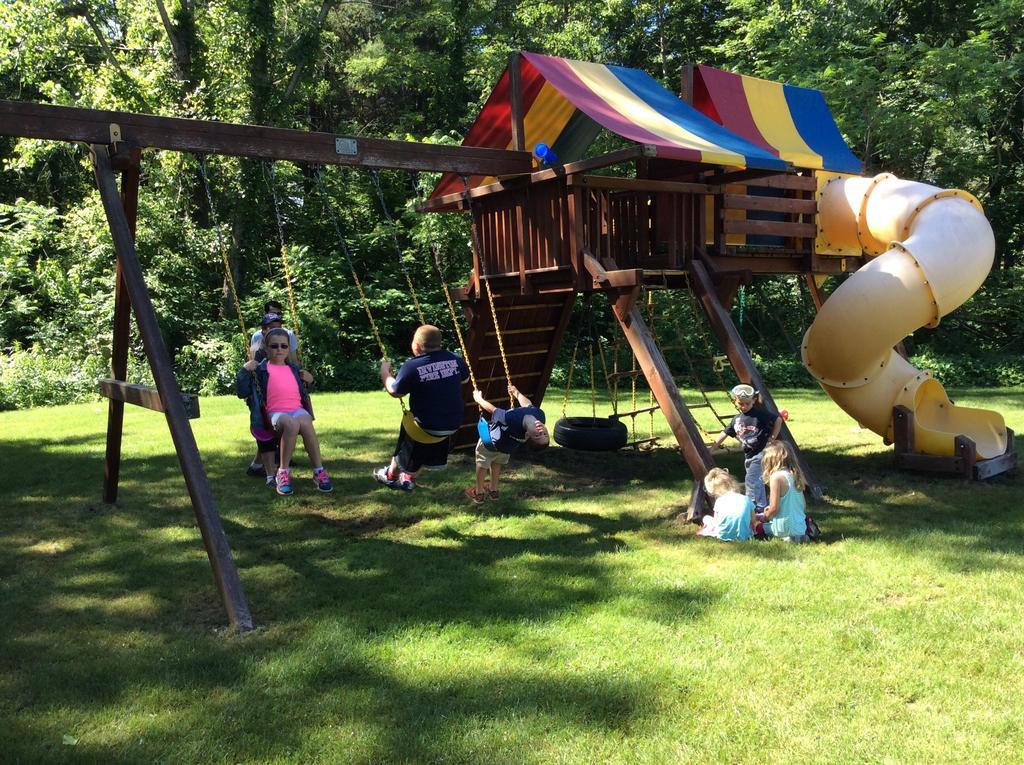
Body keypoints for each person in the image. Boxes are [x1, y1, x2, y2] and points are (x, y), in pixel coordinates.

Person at [374, 324, 470, 492]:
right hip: (453, 424)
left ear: (416, 346)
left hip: (425, 426)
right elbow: (464, 380)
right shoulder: (455, 359)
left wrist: (385, 374)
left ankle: (391, 476)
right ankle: (410, 476)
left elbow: (396, 392)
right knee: (428, 437)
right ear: (440, 343)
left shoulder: (412, 366)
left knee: (409, 434)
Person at [237, 328, 332, 496]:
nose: (279, 349)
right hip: (274, 414)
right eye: (274, 346)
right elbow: (242, 392)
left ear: (288, 348)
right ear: (266, 348)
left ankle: (319, 471)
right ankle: (283, 473)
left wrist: (310, 381)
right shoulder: (260, 369)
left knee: (306, 421)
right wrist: (244, 371)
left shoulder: (294, 369)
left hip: (296, 409)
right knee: (291, 423)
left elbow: (302, 390)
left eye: (283, 346)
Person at [465, 384, 549, 503]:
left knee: (482, 462)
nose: (541, 432)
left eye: (537, 435)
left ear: (527, 435)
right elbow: (528, 405)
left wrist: (479, 400)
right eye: (545, 434)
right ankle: (494, 490)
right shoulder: (540, 416)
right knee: (497, 463)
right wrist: (517, 393)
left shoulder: (511, 419)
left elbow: (493, 410)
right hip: (507, 448)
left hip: (490, 443)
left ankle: (478, 493)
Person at [710, 383, 782, 513]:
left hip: (760, 453)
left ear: (753, 401)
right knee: (756, 480)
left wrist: (772, 438)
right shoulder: (736, 420)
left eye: (747, 404)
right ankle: (758, 506)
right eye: (740, 403)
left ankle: (756, 508)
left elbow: (778, 420)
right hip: (748, 455)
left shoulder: (758, 415)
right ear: (735, 401)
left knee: (752, 480)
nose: (743, 406)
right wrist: (712, 448)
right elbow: (725, 433)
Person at [244, 309, 299, 477]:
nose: (276, 329)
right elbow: (254, 365)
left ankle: (257, 466)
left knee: (273, 432)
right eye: (271, 327)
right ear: (263, 329)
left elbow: (292, 360)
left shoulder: (283, 341)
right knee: (267, 431)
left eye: (279, 326)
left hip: (281, 395)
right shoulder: (260, 344)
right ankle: (271, 466)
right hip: (263, 396)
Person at [758, 440, 809, 543]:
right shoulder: (796, 476)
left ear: (770, 461)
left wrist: (765, 517)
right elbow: (803, 506)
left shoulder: (776, 477)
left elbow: (774, 508)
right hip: (800, 529)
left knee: (756, 526)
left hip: (784, 530)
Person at [697, 468, 756, 541]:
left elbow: (717, 522)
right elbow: (753, 520)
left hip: (723, 535)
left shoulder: (719, 501)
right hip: (744, 535)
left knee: (706, 518)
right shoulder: (746, 499)